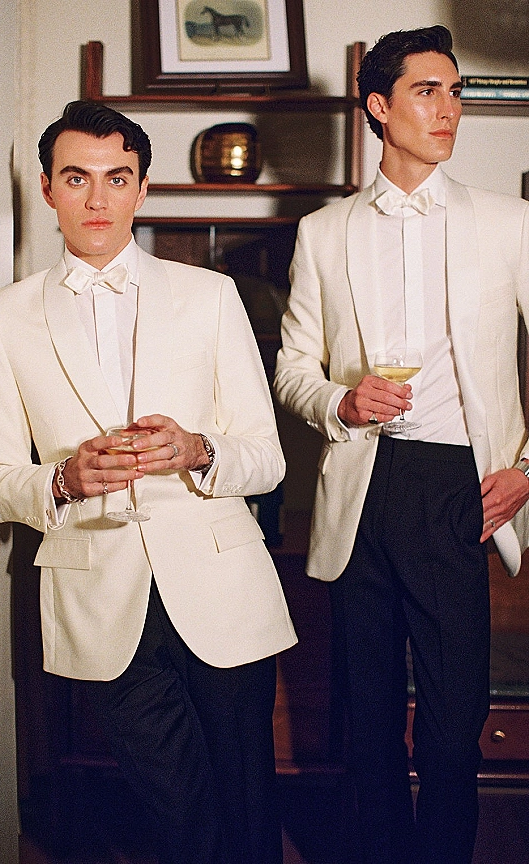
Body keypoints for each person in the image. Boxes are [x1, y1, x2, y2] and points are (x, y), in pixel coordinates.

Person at [0, 100, 297, 864]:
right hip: (97, 592)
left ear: (142, 188)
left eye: (116, 179)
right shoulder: (1, 315)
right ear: (48, 189)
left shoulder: (211, 295)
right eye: (77, 178)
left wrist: (198, 449)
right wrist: (60, 479)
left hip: (222, 584)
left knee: (248, 803)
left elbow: (267, 458)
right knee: (173, 805)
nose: (97, 199)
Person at [274, 25, 529, 864]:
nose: (449, 108)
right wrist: (342, 402)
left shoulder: (508, 222)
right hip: (360, 489)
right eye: (429, 91)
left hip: (458, 488)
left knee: (453, 728)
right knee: (370, 724)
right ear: (380, 107)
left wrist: (527, 470)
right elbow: (291, 373)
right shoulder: (324, 232)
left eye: (456, 92)